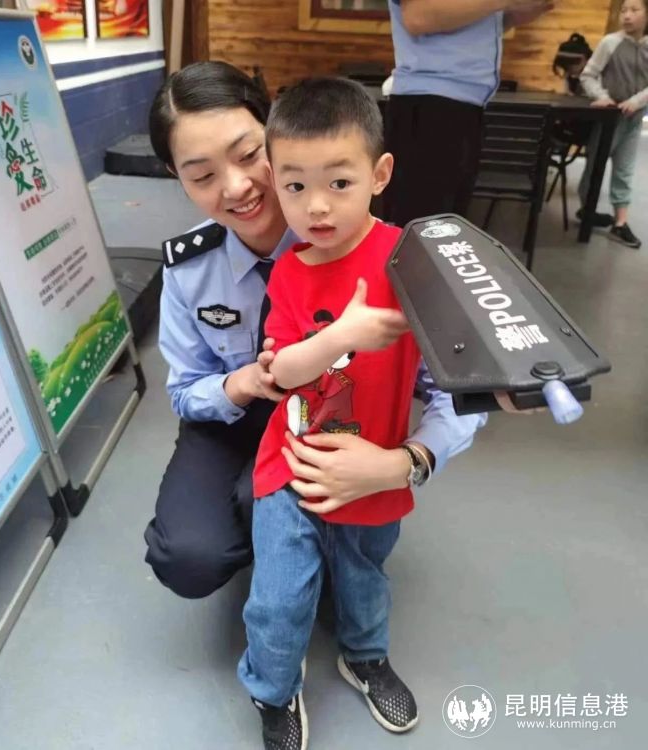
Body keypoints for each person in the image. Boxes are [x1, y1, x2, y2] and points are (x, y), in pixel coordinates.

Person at [143, 62, 484, 609]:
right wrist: (243, 383)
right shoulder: (189, 268)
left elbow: (463, 387)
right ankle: (287, 554)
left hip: (338, 418)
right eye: (202, 176)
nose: (236, 187)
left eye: (249, 155)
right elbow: (185, 391)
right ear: (175, 177)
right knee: (189, 555)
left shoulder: (392, 259)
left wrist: (406, 463)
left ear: (278, 137)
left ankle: (313, 552)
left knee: (288, 498)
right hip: (235, 418)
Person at [237, 78, 483, 750]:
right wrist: (340, 336)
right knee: (278, 596)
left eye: (339, 183)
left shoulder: (411, 260)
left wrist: (402, 462)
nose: (316, 205)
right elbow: (280, 372)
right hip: (292, 462)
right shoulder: (290, 272)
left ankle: (365, 656)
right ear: (275, 181)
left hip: (375, 463)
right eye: (295, 185)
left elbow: (466, 370)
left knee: (363, 576)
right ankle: (272, 688)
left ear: (379, 174)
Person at [384, 0, 554, 226]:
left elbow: (474, 20)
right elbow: (418, 17)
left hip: (462, 107)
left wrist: (524, 9)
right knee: (421, 227)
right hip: (431, 105)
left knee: (446, 227)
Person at [578, 0, 648, 249]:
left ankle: (620, 223)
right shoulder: (610, 42)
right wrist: (601, 96)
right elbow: (588, 75)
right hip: (609, 120)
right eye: (623, 10)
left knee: (624, 170)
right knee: (594, 166)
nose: (627, 15)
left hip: (633, 119)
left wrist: (636, 101)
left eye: (634, 10)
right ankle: (587, 209)